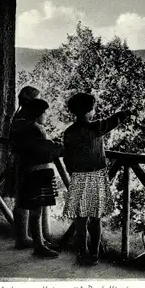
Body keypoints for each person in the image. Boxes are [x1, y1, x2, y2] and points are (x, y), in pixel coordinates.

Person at [62, 93, 134, 266]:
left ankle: (81, 252)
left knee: (80, 219)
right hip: (95, 177)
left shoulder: (69, 132)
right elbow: (113, 120)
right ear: (89, 111)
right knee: (95, 219)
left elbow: (67, 157)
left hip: (78, 177)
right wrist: (126, 112)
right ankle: (94, 254)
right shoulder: (96, 128)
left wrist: (72, 172)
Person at [9, 98, 63, 258]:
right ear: (39, 113)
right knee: (37, 211)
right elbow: (43, 153)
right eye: (46, 112)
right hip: (39, 172)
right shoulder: (37, 129)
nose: (47, 115)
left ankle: (35, 241)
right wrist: (57, 148)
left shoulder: (22, 127)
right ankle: (39, 245)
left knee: (31, 208)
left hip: (27, 171)